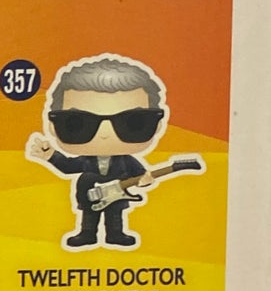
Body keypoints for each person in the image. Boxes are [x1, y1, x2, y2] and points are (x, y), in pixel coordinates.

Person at [26, 53, 198, 250]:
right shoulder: (86, 160)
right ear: (53, 126)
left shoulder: (126, 161)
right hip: (88, 195)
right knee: (89, 218)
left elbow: (141, 174)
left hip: (117, 196)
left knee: (115, 217)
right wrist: (50, 156)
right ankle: (87, 234)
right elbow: (67, 167)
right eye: (78, 123)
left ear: (157, 125)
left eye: (133, 123)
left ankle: (116, 235)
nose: (105, 134)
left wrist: (145, 179)